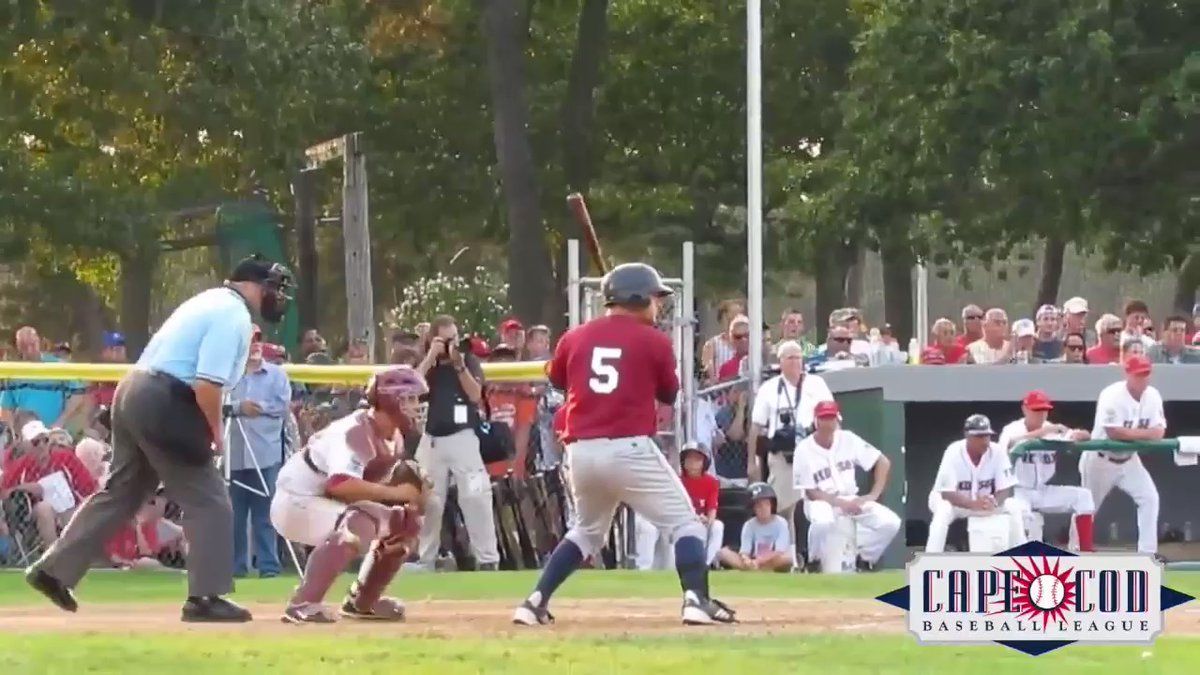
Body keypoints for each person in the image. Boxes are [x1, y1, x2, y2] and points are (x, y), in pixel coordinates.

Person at [24, 255, 292, 623]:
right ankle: (205, 597)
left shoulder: (207, 301)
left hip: (134, 389)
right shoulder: (234, 315)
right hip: (165, 399)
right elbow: (208, 385)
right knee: (210, 500)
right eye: (272, 286)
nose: (275, 294)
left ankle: (52, 569)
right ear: (250, 284)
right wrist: (215, 434)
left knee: (121, 492)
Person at [512, 262, 735, 626]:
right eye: (653, 298)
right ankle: (696, 599)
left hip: (580, 452)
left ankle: (534, 601)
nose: (657, 305)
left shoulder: (574, 336)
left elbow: (557, 379)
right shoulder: (654, 340)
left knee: (586, 532)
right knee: (687, 525)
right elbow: (668, 392)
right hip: (628, 447)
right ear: (636, 297)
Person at [270, 366, 429, 623]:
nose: (416, 406)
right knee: (359, 521)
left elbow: (361, 489)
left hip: (320, 501)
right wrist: (394, 492)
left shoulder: (394, 437)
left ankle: (363, 601)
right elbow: (340, 484)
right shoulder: (356, 432)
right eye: (409, 398)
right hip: (295, 501)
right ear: (389, 399)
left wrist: (410, 498)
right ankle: (303, 602)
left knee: (406, 521)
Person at [409, 315, 498, 572]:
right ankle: (425, 559)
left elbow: (475, 394)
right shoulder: (428, 365)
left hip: (463, 438)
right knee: (429, 500)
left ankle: (487, 558)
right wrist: (430, 357)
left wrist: (458, 363)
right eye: (445, 339)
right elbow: (410, 388)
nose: (451, 344)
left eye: (454, 338)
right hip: (433, 440)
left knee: (475, 495)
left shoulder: (468, 360)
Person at [793, 401, 900, 572]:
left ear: (837, 419)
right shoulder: (804, 449)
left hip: (850, 498)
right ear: (816, 421)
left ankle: (864, 559)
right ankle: (812, 560)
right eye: (824, 418)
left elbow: (883, 462)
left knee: (891, 522)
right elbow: (810, 491)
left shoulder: (848, 438)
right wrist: (839, 503)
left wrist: (872, 495)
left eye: (831, 418)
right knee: (823, 521)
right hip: (820, 501)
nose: (828, 422)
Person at [1079, 355, 1164, 556]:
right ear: (1127, 374)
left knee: (1150, 498)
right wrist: (1146, 436)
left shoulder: (1153, 395)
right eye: (1138, 374)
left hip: (1129, 460)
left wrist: (1136, 437)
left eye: (1146, 374)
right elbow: (1114, 432)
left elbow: (1159, 432)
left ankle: (1147, 553)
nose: (1142, 378)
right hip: (1100, 459)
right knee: (1086, 508)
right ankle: (1076, 551)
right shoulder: (1112, 394)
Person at [747, 340, 833, 534]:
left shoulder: (816, 384)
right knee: (781, 507)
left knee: (817, 505)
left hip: (813, 453)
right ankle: (786, 551)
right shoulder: (769, 388)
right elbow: (755, 427)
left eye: (798, 357)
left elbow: (832, 418)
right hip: (783, 456)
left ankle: (812, 554)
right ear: (781, 362)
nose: (795, 361)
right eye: (790, 357)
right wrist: (751, 462)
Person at [227, 332, 292, 579]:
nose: (254, 345)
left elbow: (283, 407)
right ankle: (236, 567)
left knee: (265, 515)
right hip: (234, 456)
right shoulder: (227, 376)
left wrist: (259, 408)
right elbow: (219, 404)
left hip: (265, 454)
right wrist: (238, 408)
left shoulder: (277, 375)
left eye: (257, 340)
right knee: (236, 516)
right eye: (248, 340)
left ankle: (269, 567)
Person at [996, 391, 1095, 551]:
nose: (1041, 414)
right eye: (1036, 410)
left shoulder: (1051, 428)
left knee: (1084, 496)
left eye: (1044, 410)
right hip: (1018, 491)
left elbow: (1084, 436)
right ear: (1025, 409)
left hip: (1042, 490)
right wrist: (1043, 433)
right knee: (1024, 517)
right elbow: (1009, 444)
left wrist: (1079, 434)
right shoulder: (1012, 429)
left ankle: (1085, 551)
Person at [925, 414, 1027, 552]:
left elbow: (1005, 488)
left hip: (985, 503)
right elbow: (947, 493)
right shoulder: (953, 451)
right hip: (955, 503)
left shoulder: (997, 451)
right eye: (979, 436)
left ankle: (1023, 558)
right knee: (943, 511)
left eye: (987, 435)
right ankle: (931, 559)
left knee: (1014, 506)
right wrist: (972, 504)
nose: (985, 440)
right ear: (967, 435)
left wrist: (995, 502)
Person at [0, 326, 86, 431]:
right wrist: (14, 433)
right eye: (24, 345)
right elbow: (6, 408)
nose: (29, 349)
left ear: (38, 342)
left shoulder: (58, 366)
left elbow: (78, 394)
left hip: (55, 434)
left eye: (32, 344)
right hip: (28, 436)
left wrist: (61, 421)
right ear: (18, 346)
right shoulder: (13, 373)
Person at [715, 482, 793, 572]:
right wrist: (747, 560)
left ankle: (756, 570)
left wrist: (759, 561)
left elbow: (780, 551)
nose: (764, 508)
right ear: (753, 508)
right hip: (753, 560)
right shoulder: (749, 525)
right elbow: (744, 551)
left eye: (767, 504)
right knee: (724, 552)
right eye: (759, 506)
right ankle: (755, 570)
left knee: (787, 558)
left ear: (772, 505)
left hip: (773, 560)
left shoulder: (781, 523)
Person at [679, 443, 723, 567]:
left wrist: (709, 520)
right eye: (689, 458)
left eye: (697, 459)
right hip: (683, 521)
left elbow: (712, 508)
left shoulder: (712, 482)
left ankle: (706, 564)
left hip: (703, 521)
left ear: (705, 462)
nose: (693, 462)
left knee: (718, 526)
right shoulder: (678, 481)